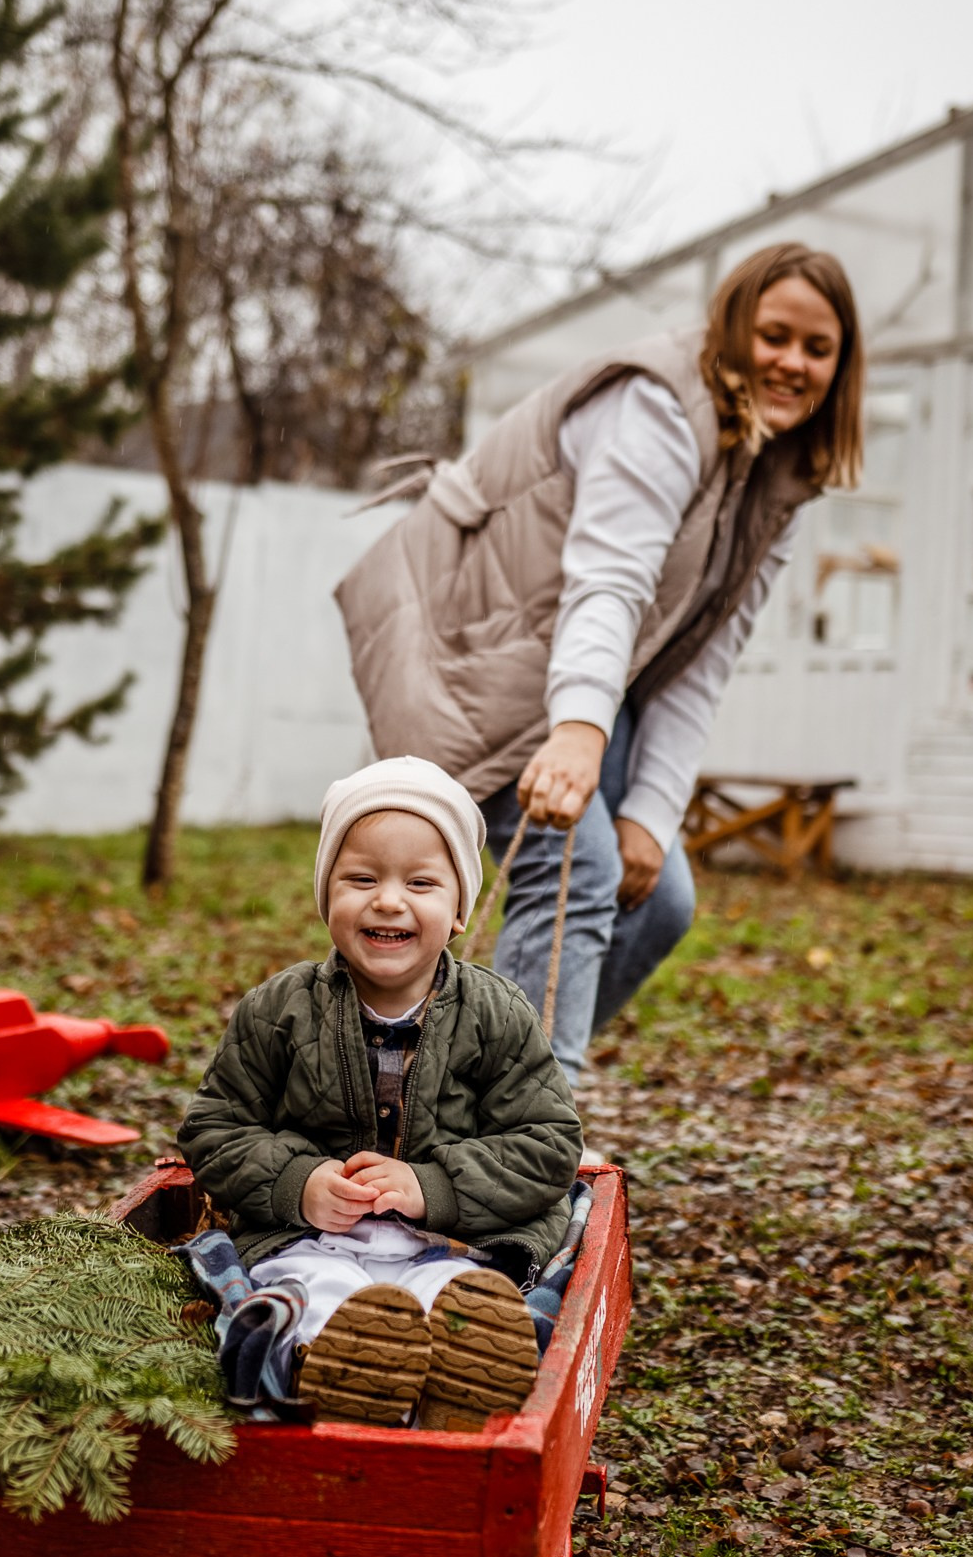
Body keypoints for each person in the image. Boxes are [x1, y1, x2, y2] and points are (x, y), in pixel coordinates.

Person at [337, 243, 864, 1086]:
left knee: (658, 901)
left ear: (842, 366)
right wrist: (581, 735)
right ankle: (508, 1133)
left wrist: (651, 811)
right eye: (774, 335)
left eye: (817, 348)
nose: (791, 362)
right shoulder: (658, 407)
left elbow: (707, 653)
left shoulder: (783, 475)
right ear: (733, 327)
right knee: (571, 862)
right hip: (474, 649)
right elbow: (610, 581)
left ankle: (449, 1091)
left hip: (579, 671)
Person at [178, 755, 582, 1430]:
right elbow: (215, 1128)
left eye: (420, 882)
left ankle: (457, 1374)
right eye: (362, 878)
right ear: (327, 896)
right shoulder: (280, 1009)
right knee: (314, 1296)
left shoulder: (495, 1012)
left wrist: (434, 1187)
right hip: (309, 1240)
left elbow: (548, 1145)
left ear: (458, 911)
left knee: (460, 1301)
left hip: (449, 1242)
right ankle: (339, 1368)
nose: (389, 900)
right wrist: (300, 1182)